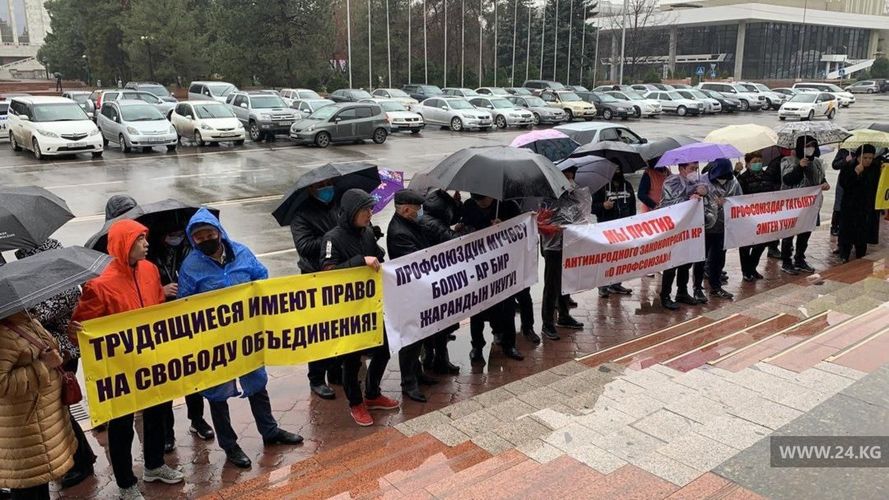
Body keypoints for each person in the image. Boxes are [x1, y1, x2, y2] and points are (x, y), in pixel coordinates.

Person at [178, 209, 303, 468]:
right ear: (193, 240)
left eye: (210, 234)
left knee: (257, 383)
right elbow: (185, 304)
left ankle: (270, 431)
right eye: (200, 237)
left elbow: (262, 278)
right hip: (214, 342)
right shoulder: (191, 266)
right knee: (217, 394)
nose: (206, 240)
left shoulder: (242, 253)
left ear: (219, 232)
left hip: (246, 336)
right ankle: (230, 445)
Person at [72, 220, 184, 500]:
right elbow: (83, 328)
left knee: (157, 413)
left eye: (145, 238)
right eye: (139, 239)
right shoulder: (99, 284)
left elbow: (156, 308)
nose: (147, 244)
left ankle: (154, 465)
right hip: (119, 369)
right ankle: (125, 483)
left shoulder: (149, 270)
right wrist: (76, 331)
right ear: (124, 244)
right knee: (121, 426)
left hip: (151, 361)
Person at [12, 239, 97, 490]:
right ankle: (80, 458)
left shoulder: (58, 279)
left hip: (63, 352)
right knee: (58, 410)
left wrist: (22, 311)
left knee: (61, 408)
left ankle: (82, 460)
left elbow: (46, 310)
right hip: (51, 350)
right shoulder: (38, 271)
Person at [320, 189, 400, 426]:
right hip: (347, 312)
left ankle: (372, 394)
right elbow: (327, 273)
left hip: (370, 306)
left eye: (370, 209)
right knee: (352, 360)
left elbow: (376, 259)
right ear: (351, 211)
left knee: (384, 349)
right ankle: (356, 403)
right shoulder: (332, 238)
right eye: (365, 209)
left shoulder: (366, 232)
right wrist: (359, 261)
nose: (369, 214)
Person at [148, 227, 215, 451]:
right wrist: (161, 291)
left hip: (187, 320)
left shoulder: (191, 251)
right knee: (165, 377)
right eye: (171, 233)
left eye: (179, 233)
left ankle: (197, 419)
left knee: (192, 372)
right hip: (160, 323)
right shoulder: (149, 258)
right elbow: (139, 293)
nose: (175, 237)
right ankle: (167, 432)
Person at [0, 311, 77, 500]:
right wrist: (43, 365)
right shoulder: (3, 334)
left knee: (39, 486)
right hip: (26, 430)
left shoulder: (26, 318)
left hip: (41, 422)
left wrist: (63, 348)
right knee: (29, 489)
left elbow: (45, 350)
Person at [289, 179, 342, 400]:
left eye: (329, 183)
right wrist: (334, 238)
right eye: (321, 185)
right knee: (319, 330)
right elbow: (304, 246)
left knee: (340, 326)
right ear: (311, 189)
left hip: (339, 272)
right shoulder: (301, 214)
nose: (327, 188)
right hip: (315, 275)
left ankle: (336, 370)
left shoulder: (339, 205)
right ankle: (317, 378)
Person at [387, 189, 440, 403]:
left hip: (417, 290)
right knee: (409, 339)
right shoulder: (399, 232)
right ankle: (408, 382)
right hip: (408, 292)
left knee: (418, 335)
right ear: (407, 209)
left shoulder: (409, 223)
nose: (420, 212)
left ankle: (417, 373)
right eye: (418, 209)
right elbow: (416, 261)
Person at [460, 194, 525, 362]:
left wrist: (504, 228)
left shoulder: (508, 206)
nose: (481, 204)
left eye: (483, 201)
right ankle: (477, 346)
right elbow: (465, 231)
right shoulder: (469, 206)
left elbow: (521, 229)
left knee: (507, 306)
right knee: (477, 309)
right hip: (479, 266)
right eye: (477, 201)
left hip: (504, 265)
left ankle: (509, 344)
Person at [538, 167, 588, 341]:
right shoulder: (548, 197)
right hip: (553, 247)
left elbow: (580, 217)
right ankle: (547, 323)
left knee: (567, 281)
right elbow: (540, 221)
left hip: (569, 245)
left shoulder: (572, 196)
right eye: (567, 175)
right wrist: (553, 228)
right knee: (551, 285)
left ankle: (564, 315)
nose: (570, 179)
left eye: (572, 176)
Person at [419, 189, 464, 375]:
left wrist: (457, 204)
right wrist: (464, 230)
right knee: (440, 322)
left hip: (432, 279)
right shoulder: (435, 224)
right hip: (436, 279)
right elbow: (455, 241)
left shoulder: (429, 218)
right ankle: (438, 360)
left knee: (436, 322)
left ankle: (431, 357)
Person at [659, 162, 709, 310]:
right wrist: (689, 198)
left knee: (686, 261)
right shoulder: (671, 182)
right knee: (672, 263)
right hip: (674, 228)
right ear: (681, 169)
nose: (694, 171)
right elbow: (669, 203)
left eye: (696, 169)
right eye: (691, 168)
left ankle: (682, 291)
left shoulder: (695, 182)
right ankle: (665, 295)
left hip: (689, 229)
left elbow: (708, 193)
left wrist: (704, 192)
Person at [780, 136, 830, 275]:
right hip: (792, 205)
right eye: (807, 146)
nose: (810, 149)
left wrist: (825, 183)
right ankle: (786, 261)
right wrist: (799, 167)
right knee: (789, 234)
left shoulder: (817, 162)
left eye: (812, 146)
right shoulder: (788, 161)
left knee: (806, 232)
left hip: (811, 205)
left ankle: (800, 258)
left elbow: (821, 178)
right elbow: (787, 180)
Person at [592, 169, 637, 297]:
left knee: (621, 257)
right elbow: (592, 207)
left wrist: (633, 223)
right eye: (614, 169)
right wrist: (603, 206)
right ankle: (602, 286)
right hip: (606, 229)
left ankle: (616, 284)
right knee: (605, 258)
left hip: (623, 229)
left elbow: (633, 206)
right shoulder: (601, 186)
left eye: (619, 169)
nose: (617, 172)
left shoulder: (627, 185)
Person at [703, 159, 742, 299]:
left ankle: (716, 286)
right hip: (704, 227)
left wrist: (727, 202)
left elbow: (739, 200)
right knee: (700, 259)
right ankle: (697, 289)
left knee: (718, 258)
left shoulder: (733, 182)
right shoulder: (703, 181)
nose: (722, 180)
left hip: (723, 226)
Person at [737, 152, 778, 281]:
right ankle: (746, 271)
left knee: (761, 243)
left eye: (759, 161)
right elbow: (738, 196)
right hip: (747, 217)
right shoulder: (742, 178)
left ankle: (752, 268)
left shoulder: (767, 176)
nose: (757, 164)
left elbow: (774, 192)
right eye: (754, 161)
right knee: (746, 245)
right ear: (747, 164)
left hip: (764, 216)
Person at [837, 145, 881, 261]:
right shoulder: (848, 166)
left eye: (870, 158)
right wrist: (855, 173)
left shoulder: (875, 168)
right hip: (850, 206)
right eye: (865, 158)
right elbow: (844, 183)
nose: (868, 160)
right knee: (847, 234)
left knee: (862, 237)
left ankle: (860, 257)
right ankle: (844, 255)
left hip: (865, 207)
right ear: (858, 157)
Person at [830, 147, 856, 237]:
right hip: (843, 180)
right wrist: (845, 161)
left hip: (856, 181)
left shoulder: (862, 151)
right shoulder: (844, 151)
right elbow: (835, 165)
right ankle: (835, 226)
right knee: (839, 204)